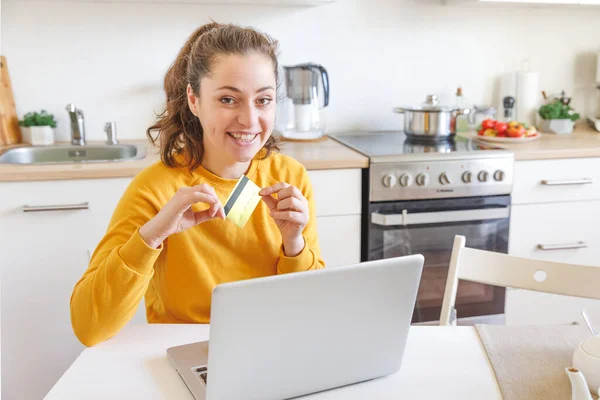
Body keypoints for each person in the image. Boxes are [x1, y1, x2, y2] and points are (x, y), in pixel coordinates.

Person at [70, 22, 325, 347]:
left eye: (263, 100)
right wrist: (152, 235)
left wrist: (294, 244)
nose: (249, 119)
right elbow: (89, 328)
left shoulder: (291, 178)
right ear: (194, 100)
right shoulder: (154, 189)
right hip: (186, 353)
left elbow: (311, 312)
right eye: (228, 100)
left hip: (273, 348)